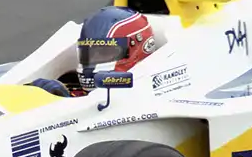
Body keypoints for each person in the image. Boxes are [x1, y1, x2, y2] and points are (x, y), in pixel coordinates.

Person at [29, 6, 161, 97]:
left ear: (136, 49)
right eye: (89, 53)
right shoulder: (80, 91)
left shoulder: (155, 90)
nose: (93, 61)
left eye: (104, 53)